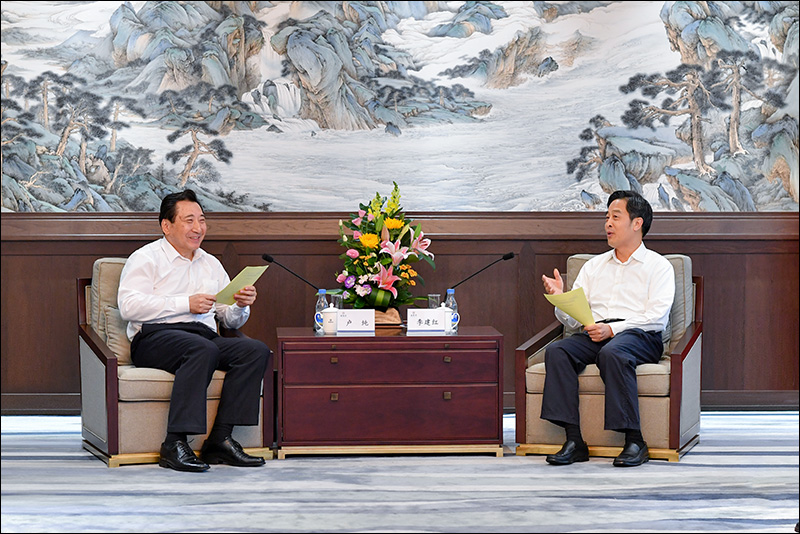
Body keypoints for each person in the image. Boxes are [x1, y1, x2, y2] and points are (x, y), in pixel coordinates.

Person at [118, 189, 271, 472]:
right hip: (154, 338)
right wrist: (185, 303)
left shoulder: (211, 263)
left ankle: (220, 440)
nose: (198, 228)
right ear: (167, 225)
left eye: (201, 220)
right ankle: (174, 443)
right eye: (189, 220)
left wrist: (240, 305)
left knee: (254, 350)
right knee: (203, 349)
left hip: (203, 337)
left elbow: (229, 320)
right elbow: (129, 307)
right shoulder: (146, 258)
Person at [540, 190, 674, 467]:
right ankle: (574, 441)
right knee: (557, 351)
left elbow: (657, 318)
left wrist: (613, 331)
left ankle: (635, 440)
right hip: (595, 332)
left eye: (616, 217)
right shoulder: (593, 266)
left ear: (637, 223)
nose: (608, 224)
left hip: (640, 336)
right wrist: (561, 300)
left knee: (613, 353)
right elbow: (574, 321)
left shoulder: (659, 266)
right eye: (606, 217)